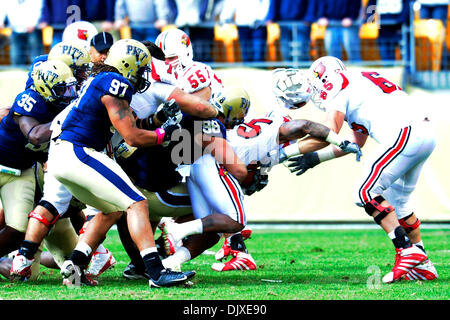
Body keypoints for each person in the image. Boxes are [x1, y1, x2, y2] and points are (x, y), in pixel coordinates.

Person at [49, 39, 195, 288]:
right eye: (141, 69)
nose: (143, 75)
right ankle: (156, 272)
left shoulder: (100, 82)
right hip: (79, 152)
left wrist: (159, 120)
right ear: (128, 66)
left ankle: (74, 268)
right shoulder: (115, 83)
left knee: (113, 209)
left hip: (62, 157)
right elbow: (132, 137)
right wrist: (165, 135)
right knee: (137, 203)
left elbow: (134, 125)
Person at [285, 56, 438, 283]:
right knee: (400, 202)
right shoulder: (360, 82)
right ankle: (423, 265)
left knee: (364, 192)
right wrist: (316, 158)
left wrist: (289, 149)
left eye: (318, 85)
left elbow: (329, 131)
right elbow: (356, 142)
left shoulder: (338, 85)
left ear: (325, 79)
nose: (318, 92)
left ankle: (406, 251)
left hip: (406, 133)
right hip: (424, 133)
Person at [0, 60, 78, 279]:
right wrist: (66, 119)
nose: (68, 93)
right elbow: (34, 135)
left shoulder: (60, 104)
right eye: (62, 88)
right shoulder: (30, 100)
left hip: (21, 172)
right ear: (44, 87)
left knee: (17, 231)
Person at [0, 0, 44, 65]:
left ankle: (37, 70)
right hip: (15, 30)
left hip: (32, 29)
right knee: (16, 56)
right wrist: (1, 21)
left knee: (35, 57)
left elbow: (39, 8)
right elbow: (3, 7)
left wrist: (33, 23)